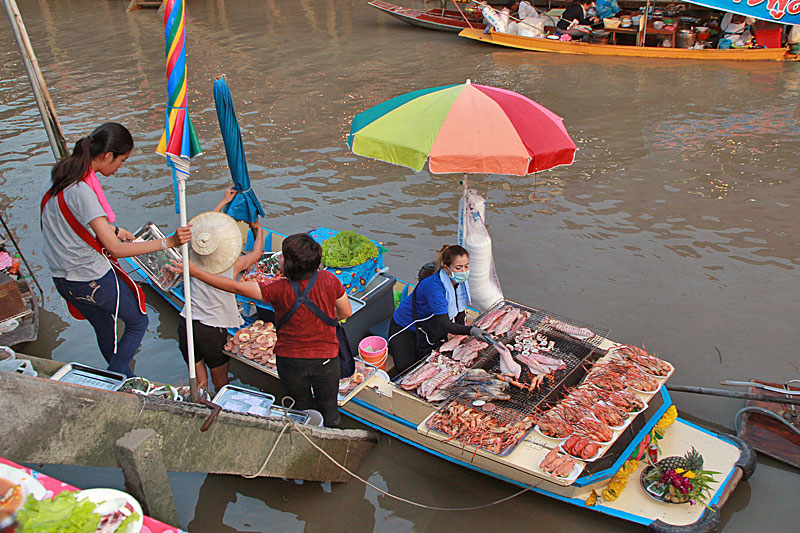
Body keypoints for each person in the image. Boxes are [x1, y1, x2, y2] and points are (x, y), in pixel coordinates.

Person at [40, 122, 191, 377]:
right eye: (122, 160)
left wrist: (115, 228)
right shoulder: (83, 192)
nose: (120, 167)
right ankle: (117, 374)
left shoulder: (59, 174)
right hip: (91, 279)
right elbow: (117, 250)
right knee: (137, 322)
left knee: (104, 326)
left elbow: (71, 218)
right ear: (107, 156)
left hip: (63, 280)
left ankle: (121, 378)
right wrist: (169, 242)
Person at [173, 233, 352, 428]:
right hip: (325, 360)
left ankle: (307, 432)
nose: (280, 258)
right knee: (329, 406)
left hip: (291, 362)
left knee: (301, 406)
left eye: (283, 255)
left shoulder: (275, 288)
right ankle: (334, 432)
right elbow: (345, 312)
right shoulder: (329, 279)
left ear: (290, 265)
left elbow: (236, 288)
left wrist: (196, 273)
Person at [176, 188, 264, 394]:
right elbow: (257, 253)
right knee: (220, 383)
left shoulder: (189, 256)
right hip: (211, 330)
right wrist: (258, 229)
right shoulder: (231, 266)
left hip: (186, 322)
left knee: (200, 383)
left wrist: (222, 201)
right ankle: (219, 409)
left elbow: (197, 229)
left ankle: (199, 405)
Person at [388, 245, 489, 374]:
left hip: (430, 324)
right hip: (406, 327)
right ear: (447, 268)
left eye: (466, 266)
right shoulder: (434, 287)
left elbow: (460, 311)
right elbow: (445, 324)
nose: (463, 271)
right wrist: (471, 330)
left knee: (434, 359)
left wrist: (462, 338)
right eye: (458, 268)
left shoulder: (459, 283)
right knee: (406, 368)